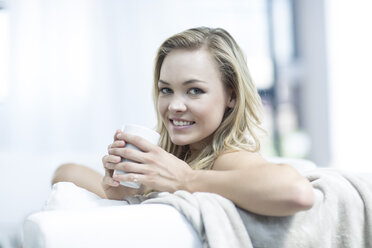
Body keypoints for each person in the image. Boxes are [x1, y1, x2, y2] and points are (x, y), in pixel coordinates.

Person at [52, 27, 314, 216]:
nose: (175, 106)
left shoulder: (226, 157)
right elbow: (67, 173)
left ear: (231, 96)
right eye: (166, 90)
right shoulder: (177, 153)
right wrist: (118, 195)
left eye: (195, 91)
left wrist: (185, 179)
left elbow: (296, 192)